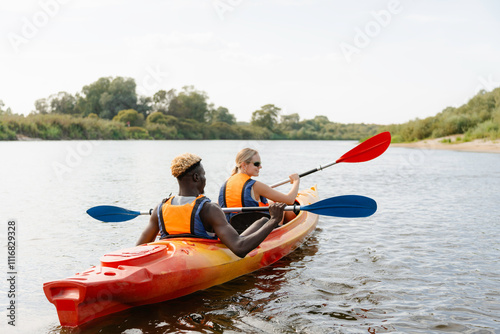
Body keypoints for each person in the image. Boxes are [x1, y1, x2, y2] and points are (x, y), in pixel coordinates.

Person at [136, 152, 286, 258]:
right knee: (265, 221)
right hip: (204, 258)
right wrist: (274, 220)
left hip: (174, 256)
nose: (204, 179)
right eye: (203, 175)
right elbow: (240, 249)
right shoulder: (209, 209)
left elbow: (138, 248)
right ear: (196, 177)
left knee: (262, 221)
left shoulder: (159, 208)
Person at [218, 148, 300, 222]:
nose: (260, 167)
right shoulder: (256, 185)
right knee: (281, 208)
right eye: (256, 164)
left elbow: (220, 204)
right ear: (244, 165)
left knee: (271, 202)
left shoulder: (226, 183)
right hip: (254, 229)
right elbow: (290, 200)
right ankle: (286, 231)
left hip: (232, 228)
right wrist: (296, 181)